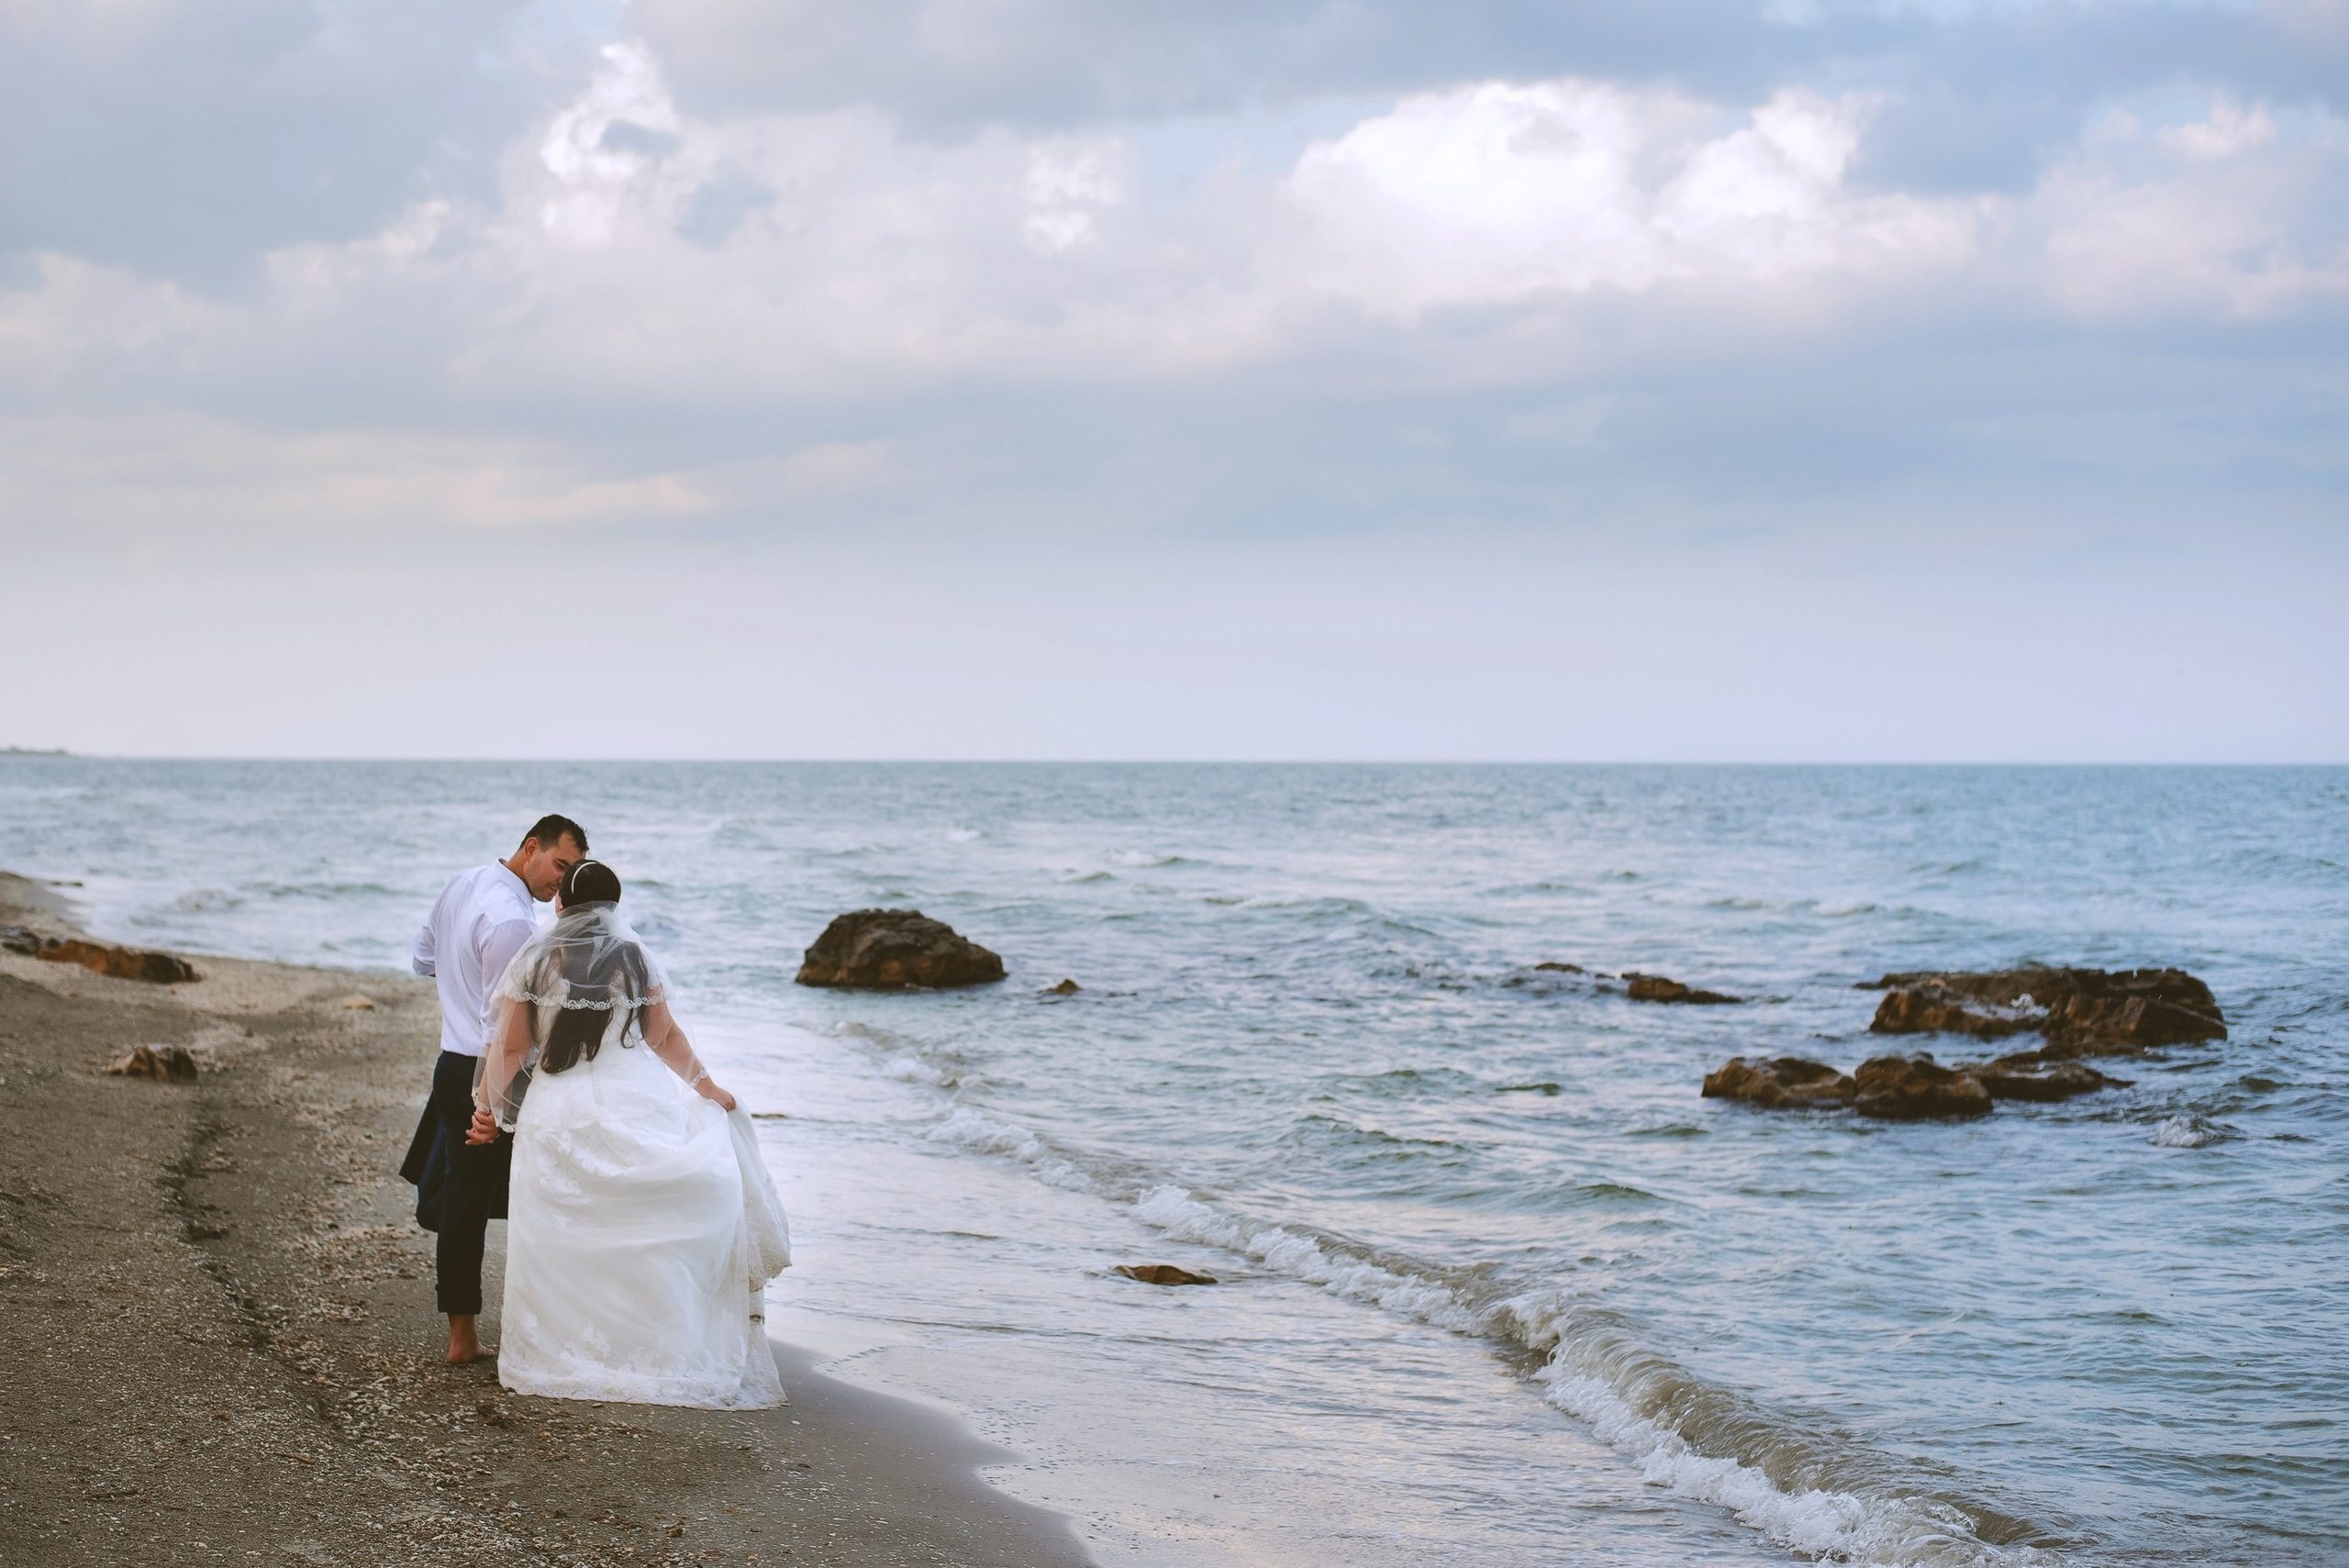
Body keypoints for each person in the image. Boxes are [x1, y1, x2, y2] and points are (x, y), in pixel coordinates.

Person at [467, 859, 790, 1408]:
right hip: (631, 1100)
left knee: (557, 1234)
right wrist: (707, 1087)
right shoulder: (635, 959)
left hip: (558, 1112)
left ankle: (555, 1350)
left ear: (560, 904)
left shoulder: (537, 958)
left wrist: (486, 1109)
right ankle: (650, 1346)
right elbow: (664, 1037)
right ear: (615, 909)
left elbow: (514, 1048)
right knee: (642, 1222)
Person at [401, 814, 586, 1363]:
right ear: (531, 847)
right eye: (558, 864)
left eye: (572, 872)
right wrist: (490, 1101)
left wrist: (458, 989)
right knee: (489, 1198)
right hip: (486, 1073)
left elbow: (421, 958)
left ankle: (470, 1334)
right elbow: (501, 1030)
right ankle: (471, 1339)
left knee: (468, 1196)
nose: (562, 880)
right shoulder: (511, 922)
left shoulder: (462, 882)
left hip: (452, 1064)